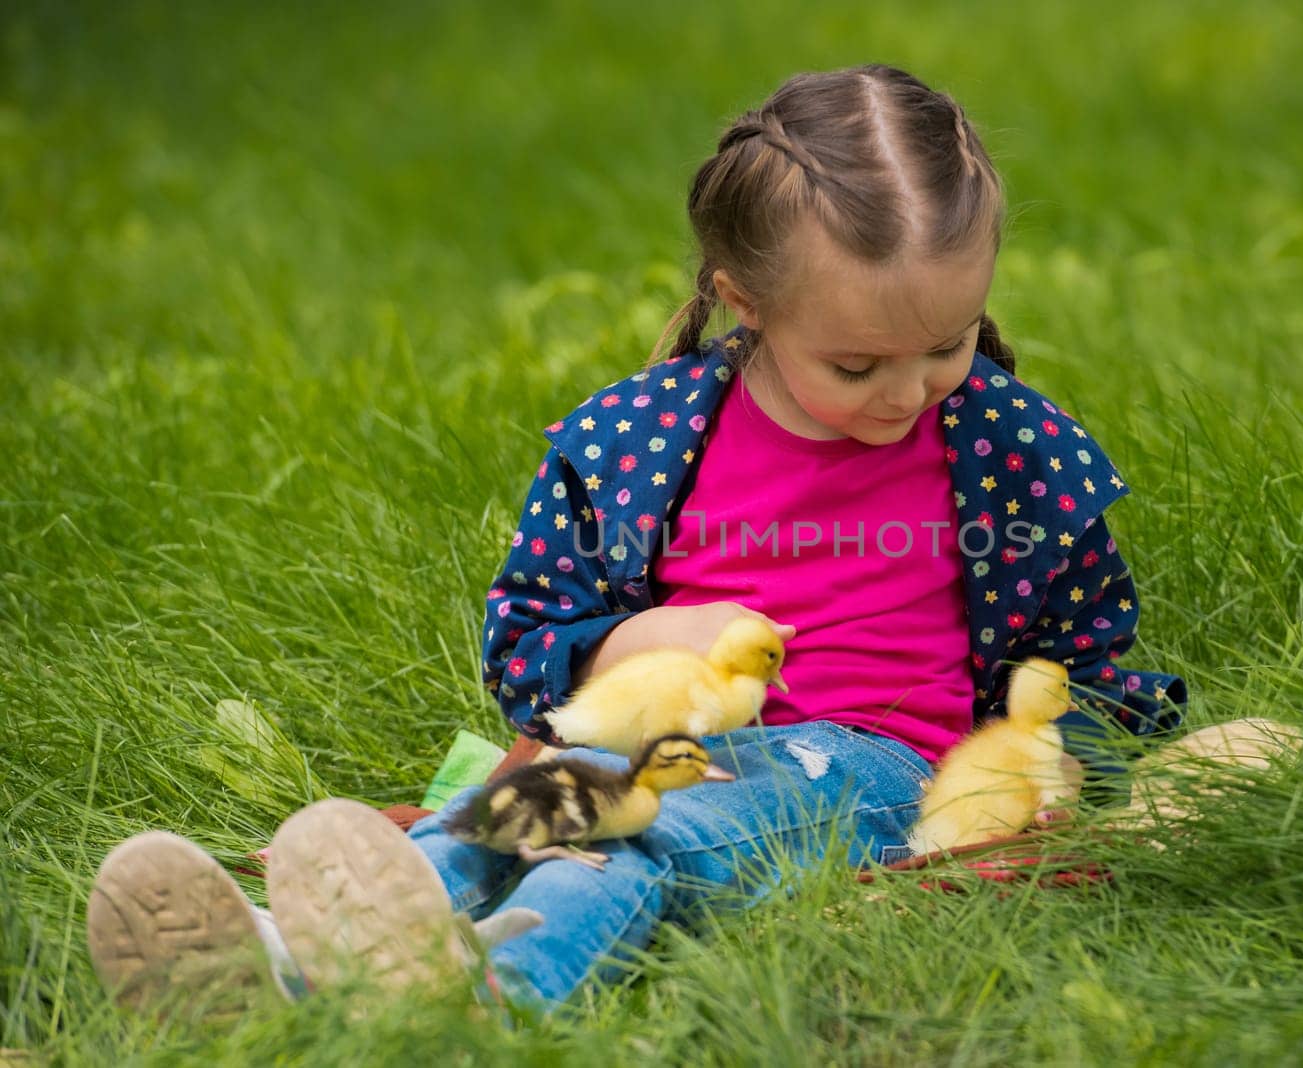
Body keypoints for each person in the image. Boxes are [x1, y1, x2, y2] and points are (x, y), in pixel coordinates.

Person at [88, 63, 1195, 1015]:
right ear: (744, 301)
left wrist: (1066, 782)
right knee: (519, 805)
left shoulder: (1008, 445)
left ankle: (480, 1001)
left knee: (628, 836)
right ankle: (291, 948)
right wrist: (643, 635)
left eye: (945, 346)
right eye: (857, 365)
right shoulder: (641, 439)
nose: (908, 392)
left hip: (859, 763)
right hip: (657, 734)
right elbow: (525, 633)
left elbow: (1082, 652)